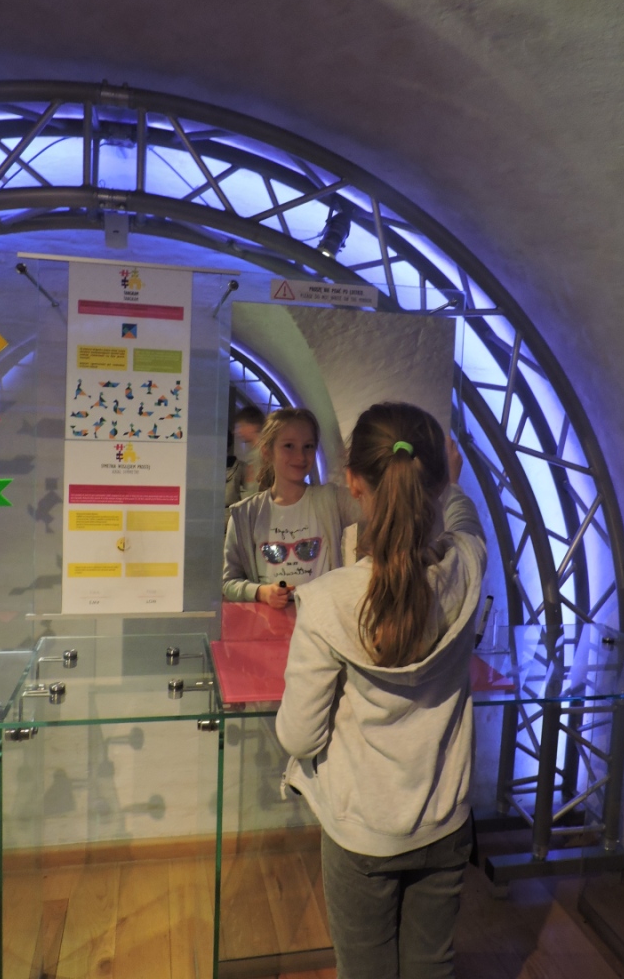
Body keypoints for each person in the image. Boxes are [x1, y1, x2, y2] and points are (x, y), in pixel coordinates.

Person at [275, 402, 487, 979]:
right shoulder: (468, 566)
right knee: (431, 966)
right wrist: (451, 484)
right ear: (436, 482)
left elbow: (299, 735)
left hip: (362, 829)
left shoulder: (328, 601)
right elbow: (466, 523)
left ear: (352, 483)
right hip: (445, 820)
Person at [223, 407, 361, 608]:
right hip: (270, 624)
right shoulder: (245, 514)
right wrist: (261, 592)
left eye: (308, 446)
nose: (300, 456)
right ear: (267, 452)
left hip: (321, 621)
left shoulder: (331, 499)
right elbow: (228, 582)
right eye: (289, 446)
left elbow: (377, 506)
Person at [233, 404, 266, 500]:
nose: (237, 431)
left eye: (240, 426)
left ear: (252, 426)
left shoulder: (262, 453)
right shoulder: (256, 452)